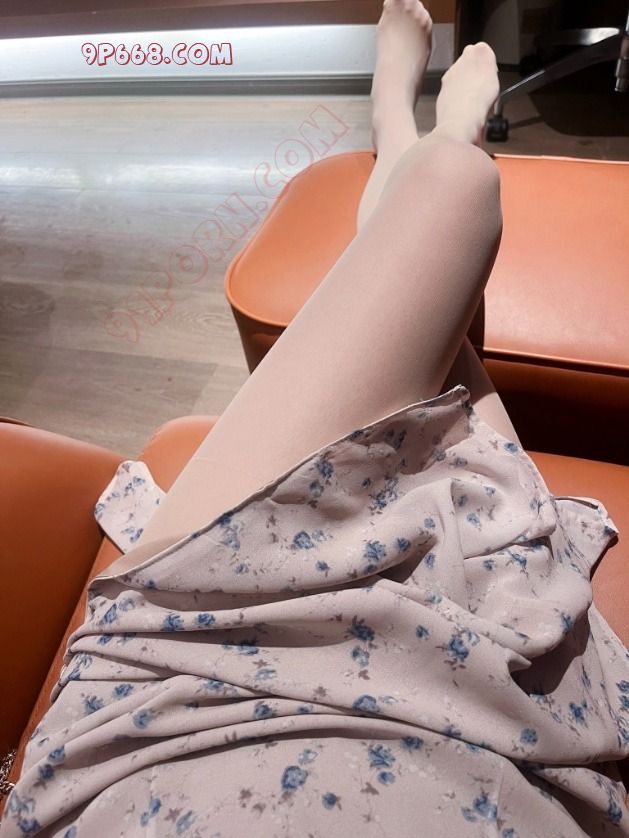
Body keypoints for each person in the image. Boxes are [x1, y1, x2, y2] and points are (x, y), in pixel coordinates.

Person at [2, 2, 628, 836]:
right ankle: (420, 136)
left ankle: (398, 133)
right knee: (455, 187)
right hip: (477, 729)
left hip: (166, 704)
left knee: (443, 220)